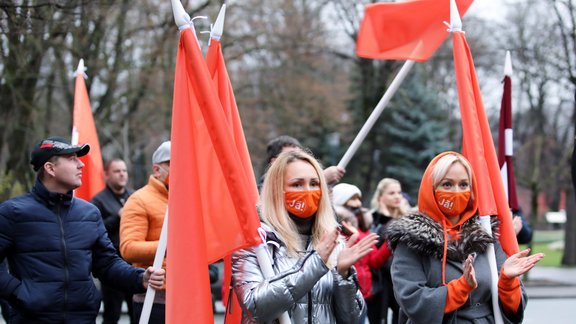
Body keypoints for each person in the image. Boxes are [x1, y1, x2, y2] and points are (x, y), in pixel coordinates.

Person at [0, 136, 165, 323]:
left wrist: (140, 278)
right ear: (50, 168)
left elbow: (107, 264)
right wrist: (18, 295)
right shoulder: (12, 212)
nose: (81, 165)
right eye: (72, 159)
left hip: (83, 318)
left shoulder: (89, 213)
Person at [385, 151, 544, 323]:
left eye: (463, 185)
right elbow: (411, 300)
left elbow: (513, 307)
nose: (456, 191)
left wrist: (507, 282)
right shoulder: (411, 239)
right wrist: (461, 288)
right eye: (447, 184)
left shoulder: (486, 234)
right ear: (431, 189)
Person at [232, 149, 377, 323]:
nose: (308, 191)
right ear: (277, 190)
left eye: (314, 183)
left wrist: (343, 275)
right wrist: (316, 263)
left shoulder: (333, 241)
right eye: (297, 184)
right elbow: (255, 307)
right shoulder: (257, 242)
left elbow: (353, 319)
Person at [120, 141, 170, 324]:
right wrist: (170, 246)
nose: (182, 168)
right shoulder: (139, 200)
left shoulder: (189, 200)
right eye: (173, 163)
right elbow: (128, 248)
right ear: (157, 169)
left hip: (189, 296)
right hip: (154, 298)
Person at [332, 183, 392, 324]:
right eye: (353, 199)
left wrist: (391, 241)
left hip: (364, 294)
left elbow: (375, 261)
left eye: (359, 198)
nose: (358, 203)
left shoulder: (362, 229)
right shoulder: (336, 228)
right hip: (343, 293)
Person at [91, 158, 135, 324]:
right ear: (107, 175)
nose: (122, 174)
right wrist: (117, 217)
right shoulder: (98, 201)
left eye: (124, 170)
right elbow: (95, 229)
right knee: (112, 313)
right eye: (117, 171)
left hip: (134, 264)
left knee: (138, 311)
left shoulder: (135, 196)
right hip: (111, 264)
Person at [370, 177, 409, 324]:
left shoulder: (406, 218)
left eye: (399, 192)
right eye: (392, 193)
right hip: (382, 281)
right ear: (381, 197)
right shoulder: (373, 219)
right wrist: (385, 217)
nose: (397, 196)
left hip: (402, 277)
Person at [262, 135, 345, 187]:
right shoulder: (257, 192)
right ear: (274, 162)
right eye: (291, 156)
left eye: (300, 155)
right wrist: (322, 180)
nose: (298, 160)